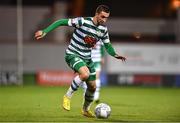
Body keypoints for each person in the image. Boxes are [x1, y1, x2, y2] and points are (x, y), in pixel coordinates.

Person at [35, 5, 126, 118]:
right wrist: (45, 31)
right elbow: (61, 22)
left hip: (87, 59)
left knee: (92, 87)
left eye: (106, 17)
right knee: (84, 73)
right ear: (97, 14)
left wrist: (115, 55)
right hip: (72, 54)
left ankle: (85, 110)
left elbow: (107, 46)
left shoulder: (103, 30)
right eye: (102, 16)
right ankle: (67, 96)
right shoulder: (82, 21)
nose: (104, 19)